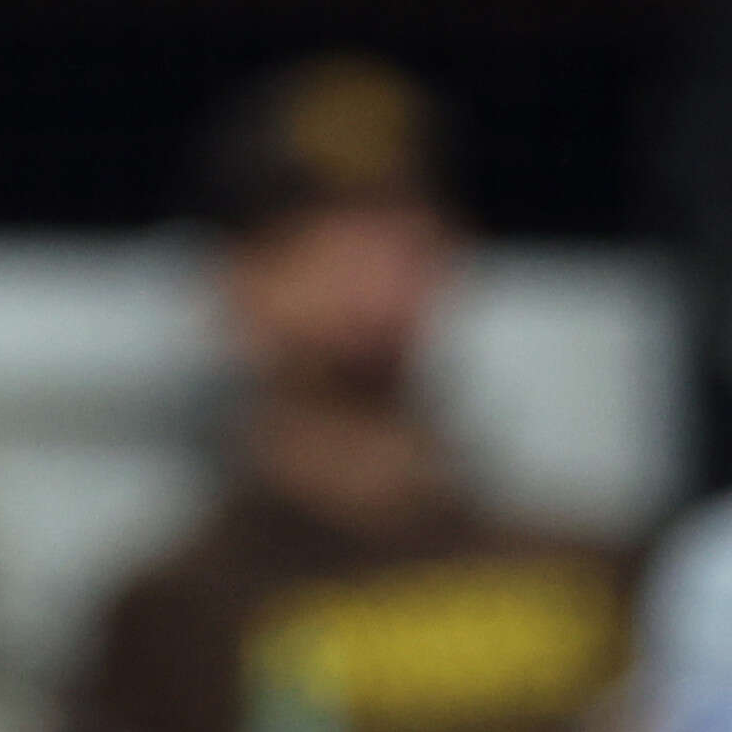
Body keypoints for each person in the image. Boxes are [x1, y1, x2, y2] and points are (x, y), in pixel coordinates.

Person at [58, 58, 632, 732]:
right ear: (233, 280)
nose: (370, 267)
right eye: (316, 238)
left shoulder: (584, 566)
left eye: (400, 231)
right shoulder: (176, 607)